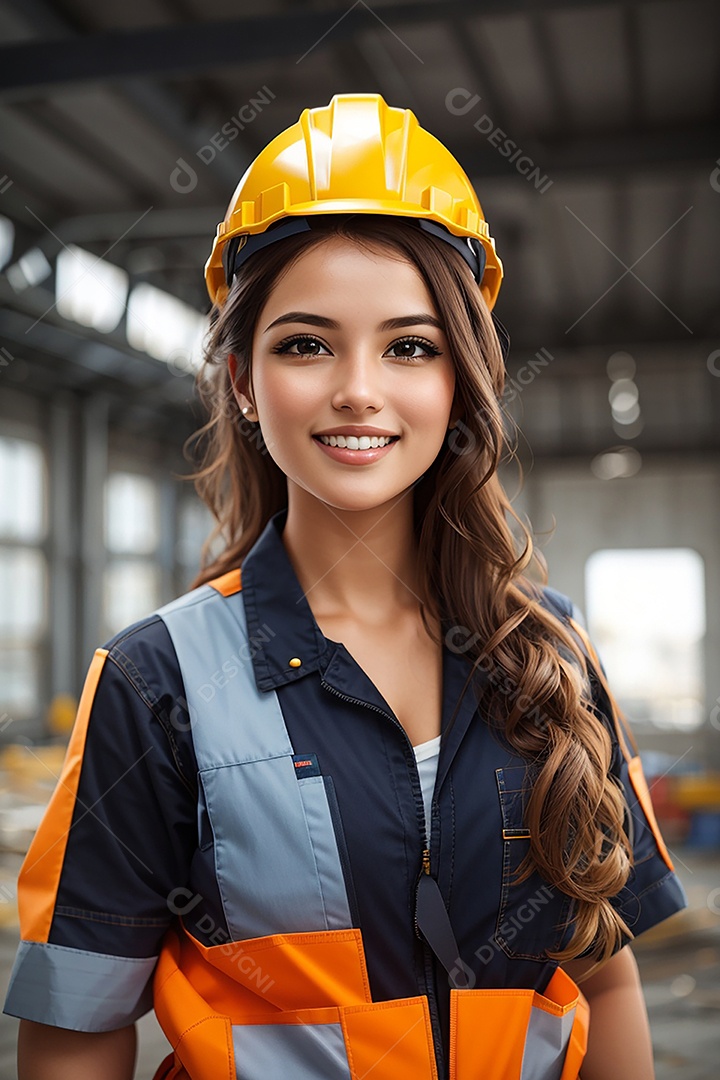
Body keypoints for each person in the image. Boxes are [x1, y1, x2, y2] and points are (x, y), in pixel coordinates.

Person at [4, 93, 687, 1080]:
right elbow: (76, 1031)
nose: (357, 389)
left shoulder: (552, 654)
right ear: (241, 379)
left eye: (409, 346)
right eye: (306, 344)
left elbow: (607, 981)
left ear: (460, 379)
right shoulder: (158, 686)